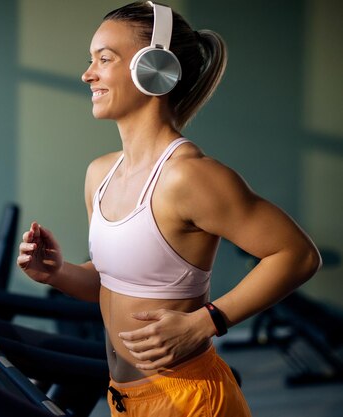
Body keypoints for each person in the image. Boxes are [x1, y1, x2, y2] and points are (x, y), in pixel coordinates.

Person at [17, 2, 322, 416]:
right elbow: (114, 284)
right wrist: (57, 273)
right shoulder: (100, 174)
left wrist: (207, 321)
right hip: (126, 399)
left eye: (104, 60)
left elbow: (298, 254)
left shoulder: (189, 177)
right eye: (91, 61)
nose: (88, 74)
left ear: (153, 67)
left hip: (190, 400)